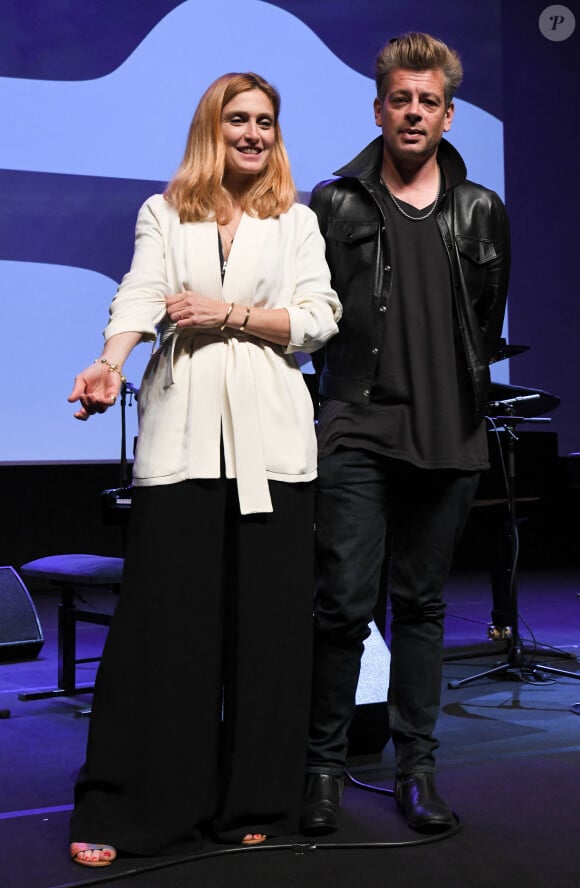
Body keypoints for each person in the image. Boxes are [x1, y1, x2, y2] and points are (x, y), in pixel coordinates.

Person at [67, 71, 341, 867]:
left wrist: (231, 314)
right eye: (237, 121)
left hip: (273, 450)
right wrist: (110, 361)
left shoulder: (295, 222)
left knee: (266, 633)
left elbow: (319, 318)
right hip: (183, 440)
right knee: (165, 632)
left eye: (264, 121)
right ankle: (134, 804)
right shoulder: (165, 211)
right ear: (209, 131)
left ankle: (253, 798)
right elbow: (141, 293)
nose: (253, 133)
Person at [300, 33, 510, 835]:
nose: (413, 112)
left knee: (421, 607)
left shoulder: (481, 208)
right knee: (343, 605)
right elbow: (317, 316)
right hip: (357, 426)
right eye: (400, 99)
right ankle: (322, 770)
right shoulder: (336, 201)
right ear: (379, 107)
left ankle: (417, 771)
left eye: (428, 101)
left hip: (449, 433)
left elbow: (482, 326)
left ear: (448, 116)